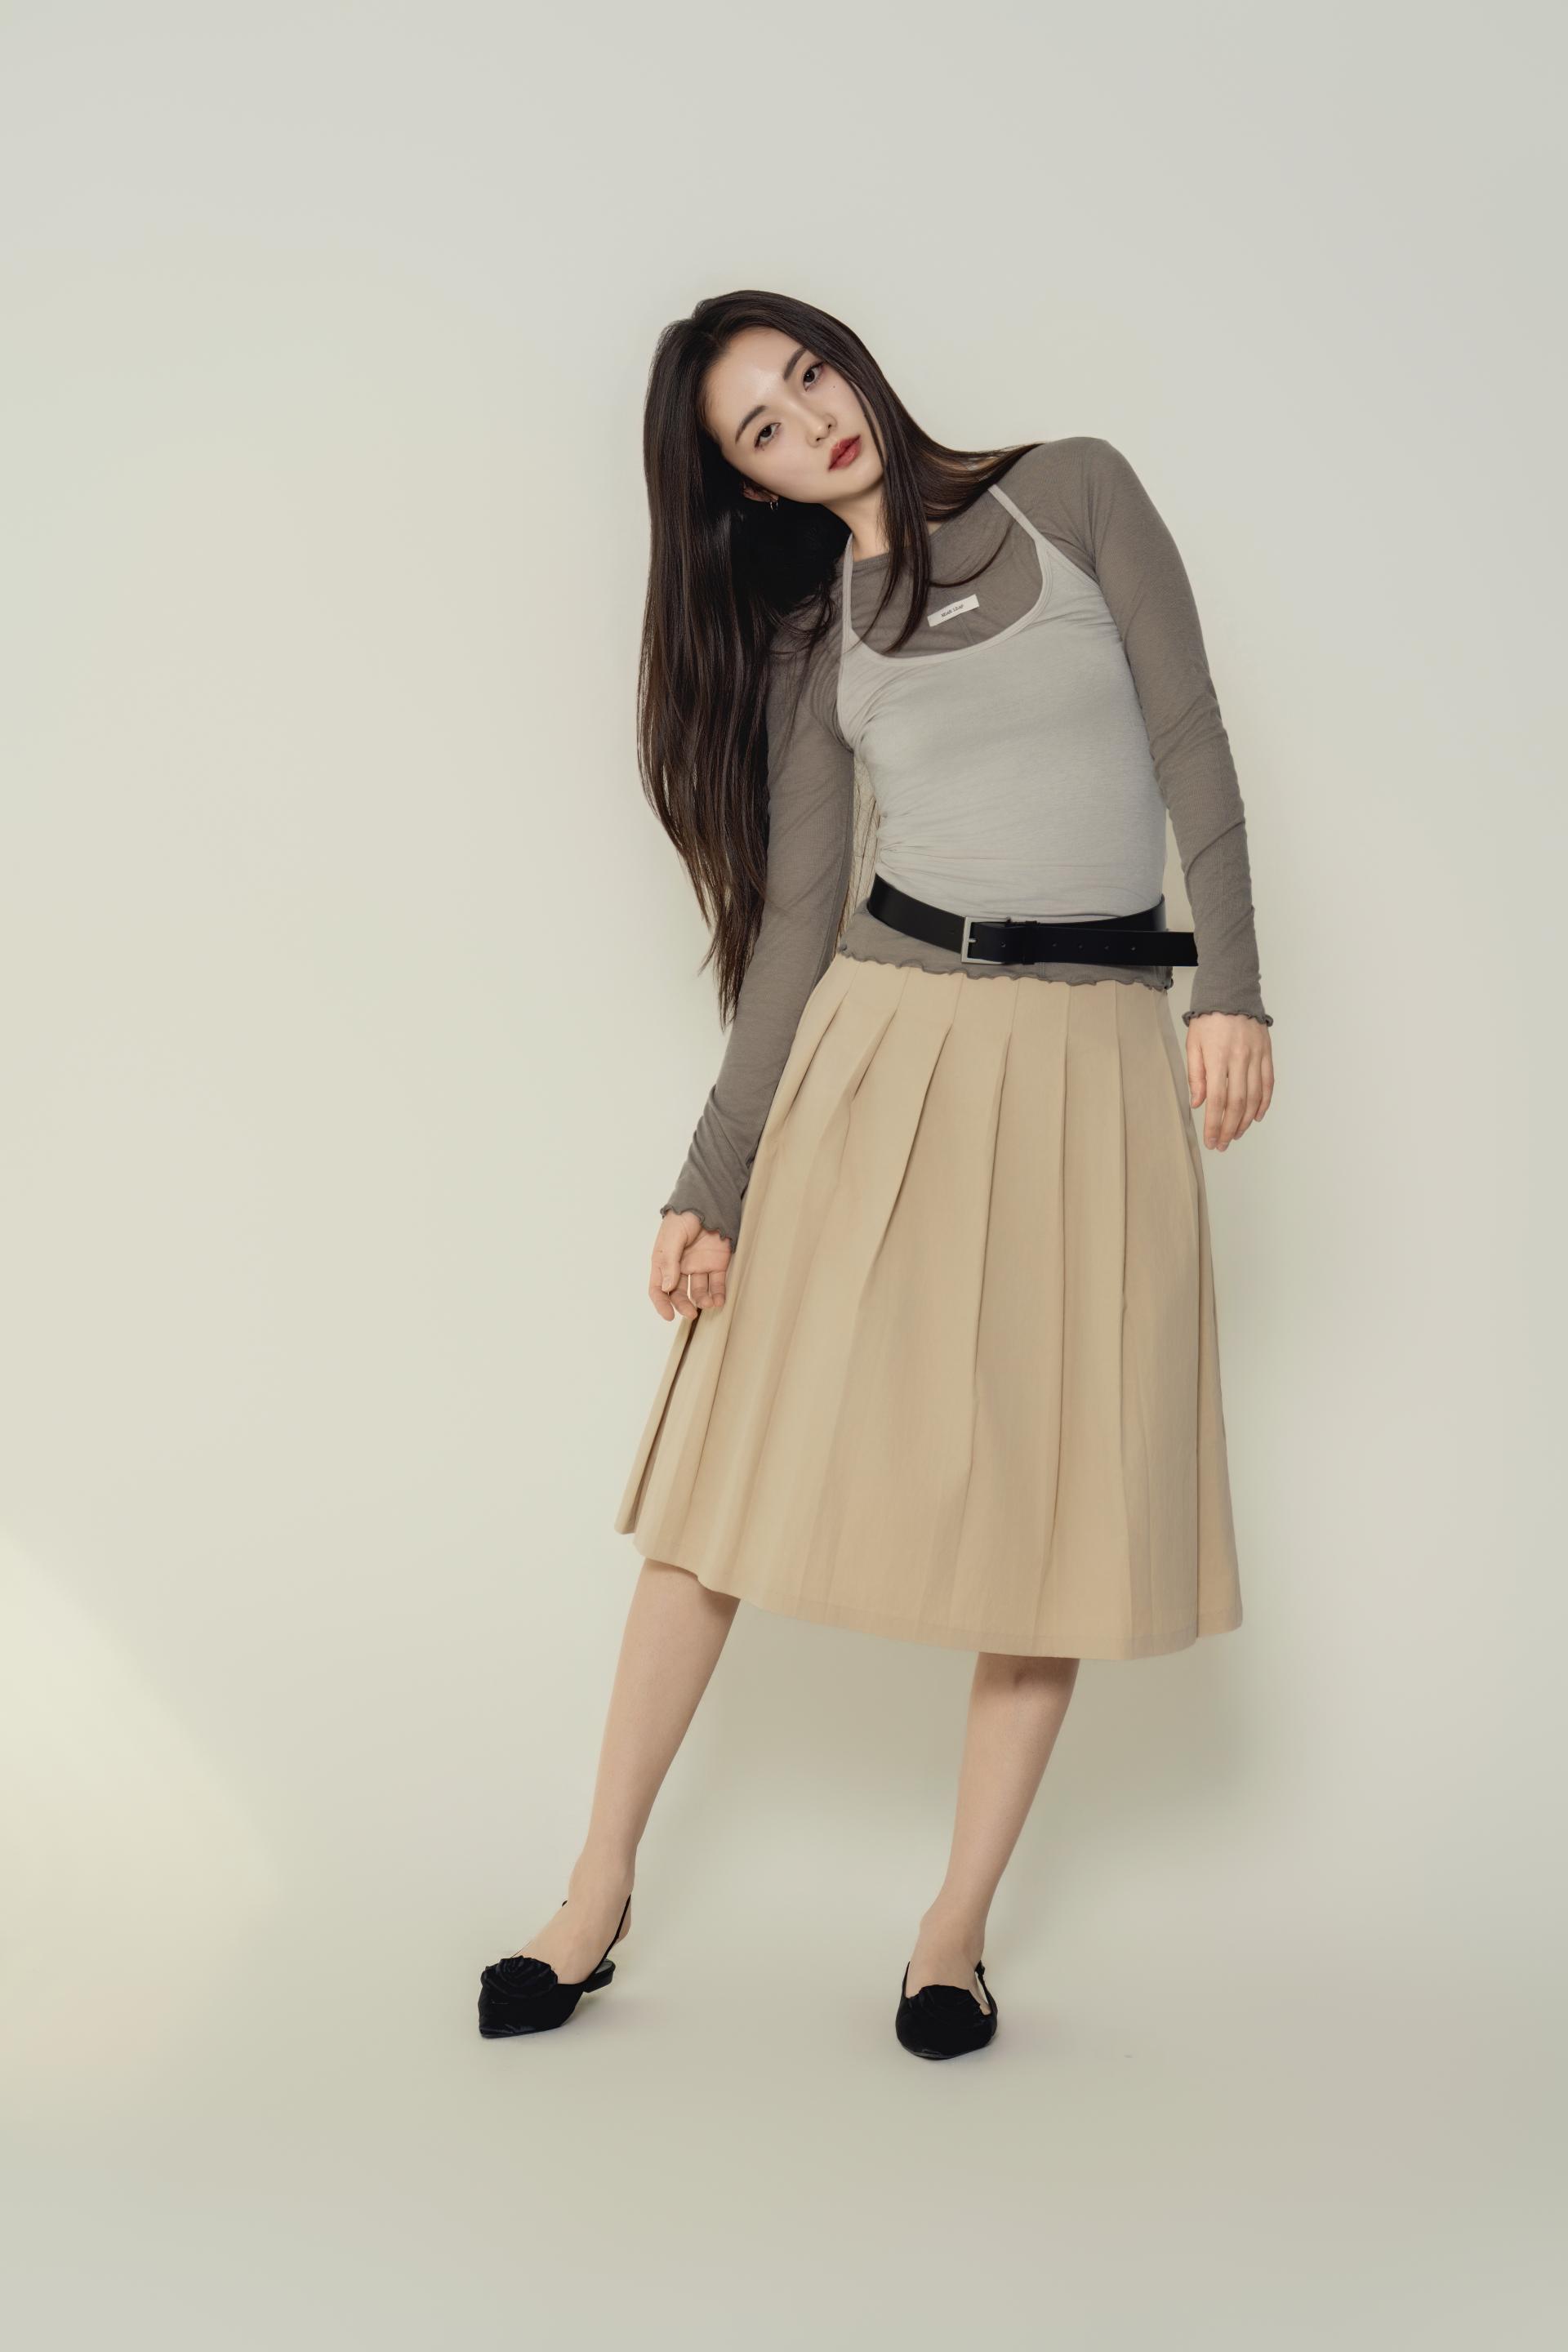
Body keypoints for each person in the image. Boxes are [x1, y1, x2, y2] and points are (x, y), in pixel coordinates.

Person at [477, 291, 1274, 2060]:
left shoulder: (1077, 491)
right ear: (749, 488)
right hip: (887, 1053)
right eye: (759, 430)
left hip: (1095, 1067)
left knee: (1058, 1515)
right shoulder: (809, 639)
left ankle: (952, 1934)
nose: (809, 422)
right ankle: (594, 1892)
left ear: (850, 358)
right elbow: (793, 930)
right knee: (724, 1470)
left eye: (807, 375)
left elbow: (1194, 737)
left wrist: (1230, 984)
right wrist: (710, 1185)